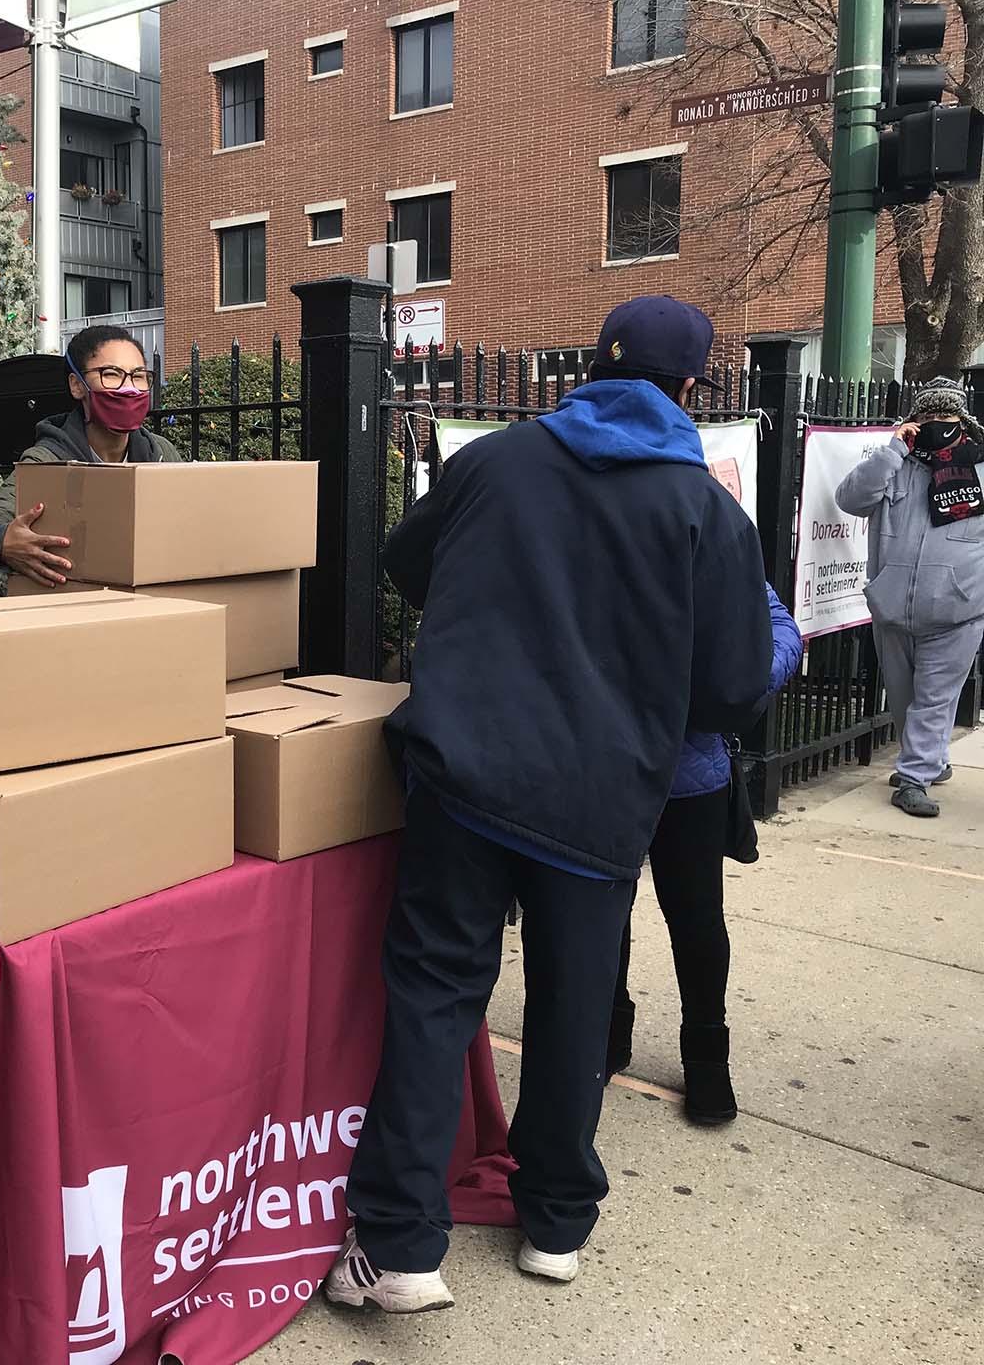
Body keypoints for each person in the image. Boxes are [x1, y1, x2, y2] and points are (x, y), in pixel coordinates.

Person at [325, 297, 772, 1313]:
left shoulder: (493, 462)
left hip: (464, 776)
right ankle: (557, 1223)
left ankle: (398, 1245)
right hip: (602, 800)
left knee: (438, 994)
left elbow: (408, 563)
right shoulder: (706, 511)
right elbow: (736, 690)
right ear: (692, 391)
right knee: (574, 1006)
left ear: (588, 368)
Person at [608, 583, 802, 1125]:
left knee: (695, 920)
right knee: (602, 911)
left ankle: (706, 1057)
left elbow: (779, 626)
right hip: (606, 764)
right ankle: (607, 1033)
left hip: (687, 777)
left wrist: (734, 688)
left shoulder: (710, 520)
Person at [834, 377, 984, 818]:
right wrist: (893, 449)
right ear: (914, 422)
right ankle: (929, 760)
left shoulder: (979, 469)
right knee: (904, 701)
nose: (939, 426)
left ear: (962, 422)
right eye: (929, 418)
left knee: (935, 698)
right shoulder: (893, 466)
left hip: (958, 612)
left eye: (947, 418)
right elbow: (851, 499)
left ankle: (913, 778)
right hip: (893, 609)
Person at [0, 324, 182, 589]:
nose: (128, 388)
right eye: (111, 374)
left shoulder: (161, 452)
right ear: (77, 385)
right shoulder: (48, 461)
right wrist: (2, 543)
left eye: (138, 376)